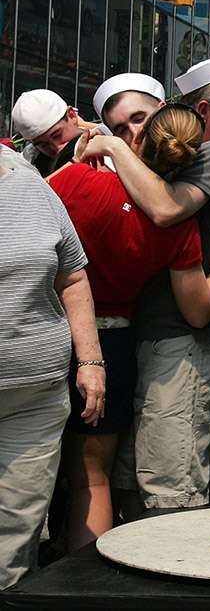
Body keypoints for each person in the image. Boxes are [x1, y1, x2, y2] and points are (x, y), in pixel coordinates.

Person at [51, 104, 210, 552]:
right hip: (118, 342)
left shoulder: (81, 182)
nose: (127, 132)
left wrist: (85, 158)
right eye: (118, 127)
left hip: (60, 334)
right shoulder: (177, 227)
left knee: (103, 483)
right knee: (105, 482)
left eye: (135, 122)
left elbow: (29, 216)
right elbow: (198, 308)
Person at [0, 148, 103, 589]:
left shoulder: (34, 190)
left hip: (36, 395)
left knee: (16, 530)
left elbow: (73, 276)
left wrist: (91, 361)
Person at [11, 89, 97, 177]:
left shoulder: (102, 149)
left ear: (72, 115)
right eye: (43, 145)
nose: (56, 147)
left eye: (57, 135)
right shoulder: (30, 161)